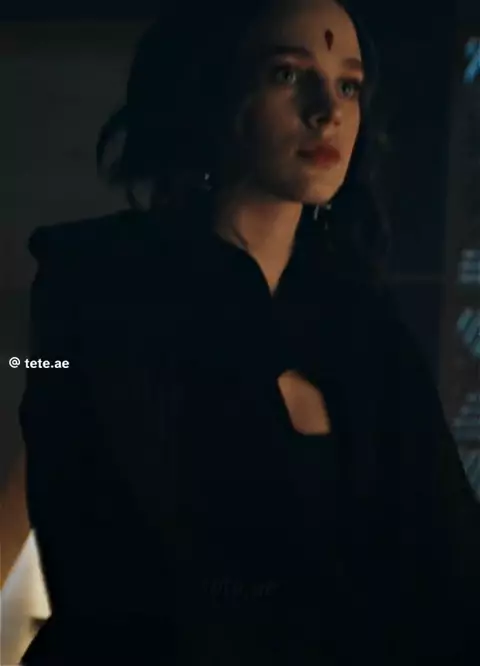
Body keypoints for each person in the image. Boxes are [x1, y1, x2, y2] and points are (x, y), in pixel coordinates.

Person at [19, 0, 480, 663]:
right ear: (212, 90)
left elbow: (449, 559)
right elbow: (115, 547)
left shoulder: (364, 325)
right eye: (288, 74)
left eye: (348, 85)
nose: (328, 112)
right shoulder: (96, 281)